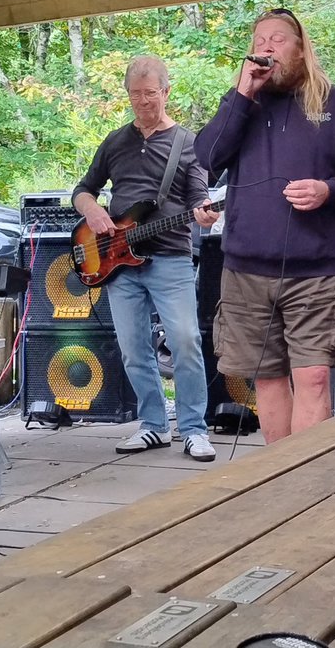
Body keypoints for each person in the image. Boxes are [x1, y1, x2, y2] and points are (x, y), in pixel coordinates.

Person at [194, 8, 335, 444]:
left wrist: (327, 190)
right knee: (267, 379)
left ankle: (304, 484)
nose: (266, 47)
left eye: (278, 39)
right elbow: (207, 158)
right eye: (259, 40)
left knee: (314, 377)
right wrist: (241, 95)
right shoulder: (241, 103)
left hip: (317, 272)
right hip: (246, 271)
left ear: (301, 49)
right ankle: (278, 480)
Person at [73, 55, 220, 460]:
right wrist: (93, 211)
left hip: (170, 258)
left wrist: (205, 213)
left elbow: (197, 200)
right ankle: (154, 425)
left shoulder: (188, 144)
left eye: (150, 94)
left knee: (186, 342)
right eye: (135, 95)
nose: (143, 102)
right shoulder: (115, 141)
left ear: (166, 92)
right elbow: (83, 189)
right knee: (133, 348)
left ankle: (193, 428)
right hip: (116, 262)